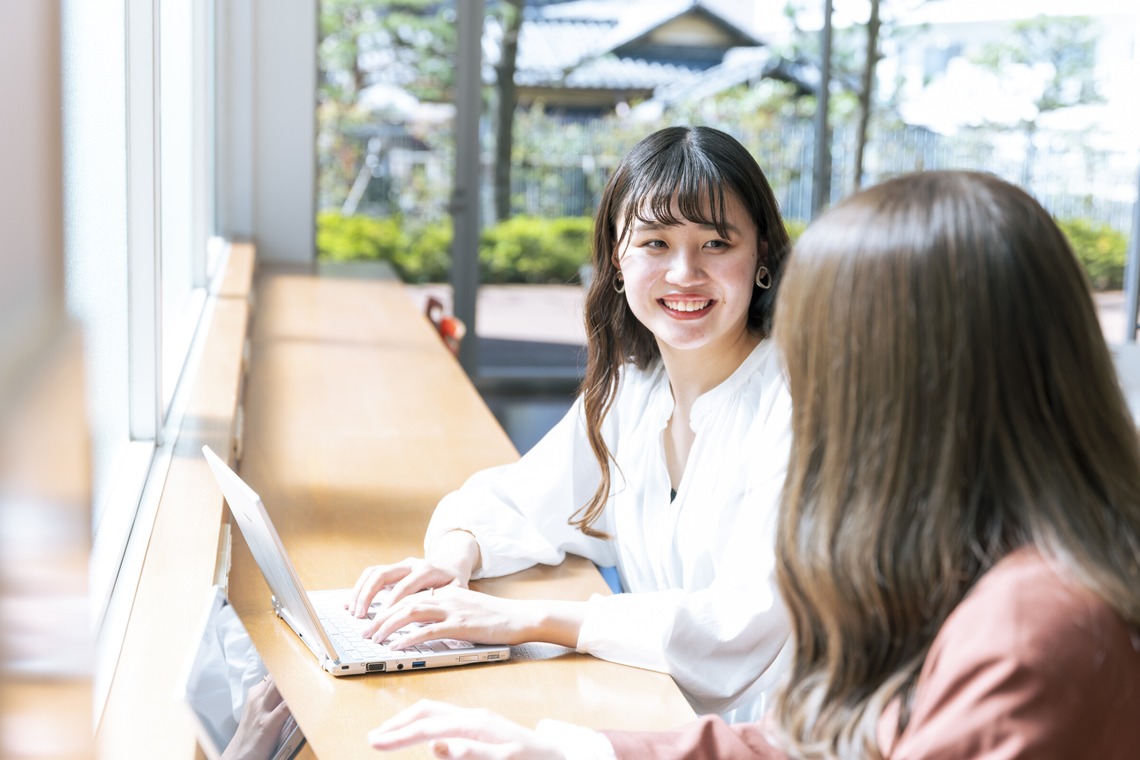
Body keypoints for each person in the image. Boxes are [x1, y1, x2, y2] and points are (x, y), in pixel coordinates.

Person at [365, 171, 1140, 759]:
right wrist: (558, 749)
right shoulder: (970, 566)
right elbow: (814, 745)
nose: (804, 379)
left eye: (824, 349)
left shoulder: (1030, 630)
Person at [347, 125, 795, 721]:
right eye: (655, 243)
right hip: (660, 713)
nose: (685, 272)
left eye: (716, 244)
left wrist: (527, 620)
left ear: (760, 253)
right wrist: (452, 561)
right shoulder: (633, 389)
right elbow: (521, 499)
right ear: (617, 257)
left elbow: (740, 628)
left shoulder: (796, 403)